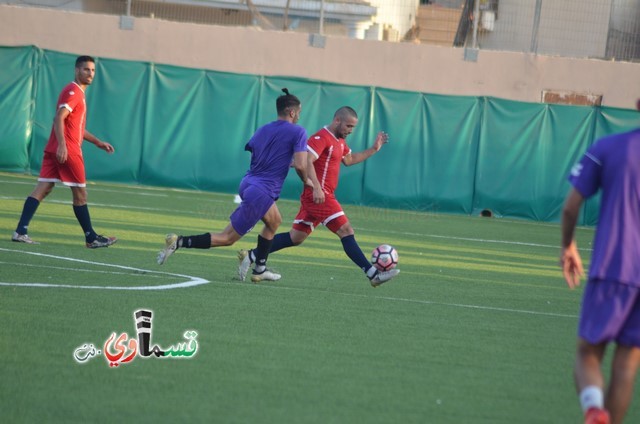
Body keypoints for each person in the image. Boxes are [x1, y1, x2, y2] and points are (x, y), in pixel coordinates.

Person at [157, 88, 310, 282]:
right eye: (299, 113)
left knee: (274, 221)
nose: (299, 117)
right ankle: (178, 242)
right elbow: (301, 165)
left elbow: (257, 152)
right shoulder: (299, 132)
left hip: (248, 183)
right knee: (227, 238)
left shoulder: (263, 128)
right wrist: (307, 180)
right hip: (262, 190)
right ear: (292, 112)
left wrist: (280, 161)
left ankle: (259, 269)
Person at [238, 106, 400, 287]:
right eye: (348, 126)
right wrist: (316, 187)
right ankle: (373, 275)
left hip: (319, 196)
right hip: (319, 196)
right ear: (337, 120)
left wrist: (374, 149)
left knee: (296, 237)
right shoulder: (321, 137)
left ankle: (252, 255)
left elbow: (349, 159)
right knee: (346, 230)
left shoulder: (339, 141)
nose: (350, 131)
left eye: (353, 127)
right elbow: (307, 160)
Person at [560, 99, 640, 424]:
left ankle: (594, 409)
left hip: (614, 266)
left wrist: (568, 246)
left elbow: (570, 207)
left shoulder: (609, 147)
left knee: (588, 353)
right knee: (628, 362)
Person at [12, 55, 117, 248]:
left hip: (56, 149)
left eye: (93, 70)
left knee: (43, 189)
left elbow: (75, 127)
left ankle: (20, 231)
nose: (90, 73)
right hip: (67, 151)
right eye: (86, 69)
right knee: (80, 194)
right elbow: (59, 118)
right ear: (77, 70)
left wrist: (97, 142)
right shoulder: (73, 91)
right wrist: (62, 145)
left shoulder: (78, 93)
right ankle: (91, 237)